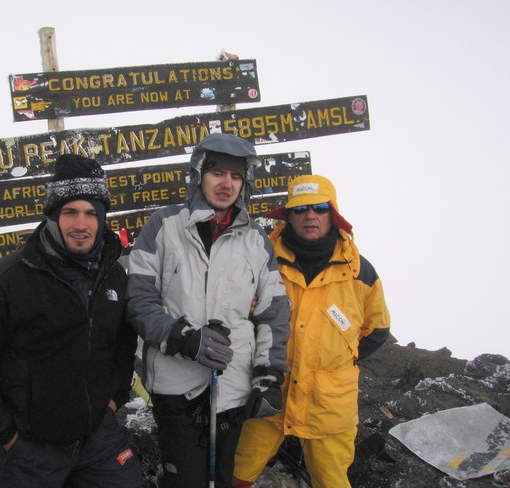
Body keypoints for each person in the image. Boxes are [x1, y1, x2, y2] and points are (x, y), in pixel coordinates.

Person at [0, 154, 142, 488]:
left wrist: (116, 396)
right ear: (52, 215)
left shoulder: (113, 274)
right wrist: (4, 433)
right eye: (70, 212)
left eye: (91, 213)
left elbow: (123, 343)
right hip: (30, 447)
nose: (81, 224)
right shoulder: (7, 279)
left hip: (100, 435)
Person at [126, 132, 291, 488]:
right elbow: (138, 298)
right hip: (175, 384)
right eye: (218, 173)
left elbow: (272, 311)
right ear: (199, 174)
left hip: (233, 384)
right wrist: (181, 337)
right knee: (184, 480)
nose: (226, 183)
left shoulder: (255, 239)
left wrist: (268, 372)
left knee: (223, 478)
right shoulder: (164, 226)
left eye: (235, 176)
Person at [232, 174, 391, 488]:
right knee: (235, 474)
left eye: (319, 208)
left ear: (332, 213)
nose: (310, 216)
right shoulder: (261, 260)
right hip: (266, 393)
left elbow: (378, 329)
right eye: (301, 209)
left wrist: (340, 360)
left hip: (328, 406)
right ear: (289, 216)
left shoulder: (361, 272)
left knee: (331, 482)